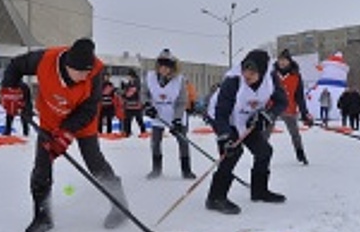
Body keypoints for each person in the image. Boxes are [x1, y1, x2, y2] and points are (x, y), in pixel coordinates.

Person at [1, 38, 129, 232]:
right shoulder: (45, 59)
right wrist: (9, 90)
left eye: (88, 72)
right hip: (51, 120)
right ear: (68, 65)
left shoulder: (95, 71)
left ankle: (119, 205)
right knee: (42, 167)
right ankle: (42, 217)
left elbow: (90, 108)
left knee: (95, 163)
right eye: (81, 73)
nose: (85, 76)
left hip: (83, 122)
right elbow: (15, 66)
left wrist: (67, 132)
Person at [205, 49, 288, 215]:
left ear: (262, 72)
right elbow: (221, 113)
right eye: (245, 70)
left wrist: (267, 115)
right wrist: (225, 136)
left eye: (253, 71)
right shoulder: (233, 81)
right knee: (232, 153)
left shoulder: (271, 79)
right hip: (224, 118)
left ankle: (259, 191)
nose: (247, 75)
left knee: (264, 152)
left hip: (248, 120)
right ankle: (215, 198)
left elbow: (282, 101)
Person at [143, 49, 196, 180]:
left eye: (167, 67)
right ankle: (156, 169)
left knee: (182, 141)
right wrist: (147, 105)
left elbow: (182, 101)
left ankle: (186, 170)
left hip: (175, 115)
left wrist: (177, 119)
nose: (164, 69)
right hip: (158, 115)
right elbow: (144, 94)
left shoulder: (179, 80)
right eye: (161, 66)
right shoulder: (150, 77)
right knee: (155, 142)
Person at [269, 49, 314, 165]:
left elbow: (299, 96)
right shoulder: (272, 75)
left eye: (284, 60)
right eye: (280, 60)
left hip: (290, 108)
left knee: (295, 133)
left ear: (289, 61)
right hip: (272, 108)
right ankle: (262, 155)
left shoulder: (296, 76)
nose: (282, 63)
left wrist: (304, 113)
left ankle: (300, 153)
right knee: (266, 133)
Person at [121, 69, 147, 137]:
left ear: (132, 76)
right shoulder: (129, 83)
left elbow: (130, 93)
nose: (128, 78)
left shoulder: (137, 83)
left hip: (136, 106)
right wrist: (123, 90)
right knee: (127, 120)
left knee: (139, 120)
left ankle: (143, 132)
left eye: (128, 76)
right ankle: (127, 132)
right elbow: (125, 93)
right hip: (129, 106)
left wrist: (124, 94)